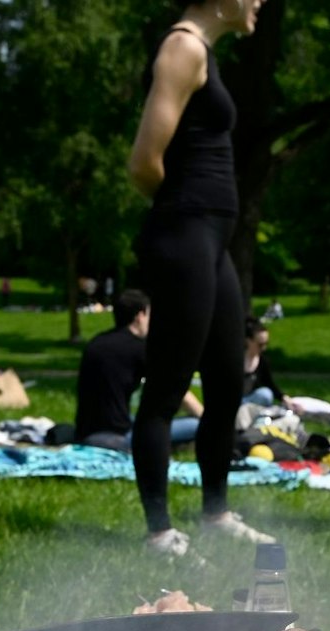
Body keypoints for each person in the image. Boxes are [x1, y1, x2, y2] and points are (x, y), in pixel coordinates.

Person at [124, 0, 273, 556]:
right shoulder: (182, 46)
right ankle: (159, 529)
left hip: (212, 242)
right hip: (186, 234)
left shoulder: (204, 52)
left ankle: (216, 513)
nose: (258, 3)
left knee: (227, 381)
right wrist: (180, 213)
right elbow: (144, 161)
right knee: (166, 385)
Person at [75, 291, 203, 451]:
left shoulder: (96, 343)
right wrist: (205, 417)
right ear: (140, 315)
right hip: (116, 436)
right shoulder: (139, 348)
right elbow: (174, 388)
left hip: (85, 432)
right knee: (196, 425)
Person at [241, 317, 288, 407]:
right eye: (260, 345)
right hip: (235, 400)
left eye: (266, 344)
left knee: (266, 394)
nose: (264, 348)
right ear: (249, 341)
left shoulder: (263, 361)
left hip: (251, 401)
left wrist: (283, 397)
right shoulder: (237, 359)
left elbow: (269, 383)